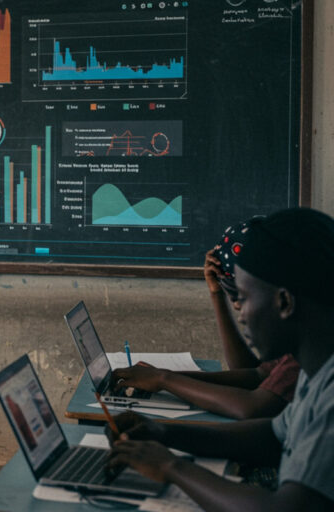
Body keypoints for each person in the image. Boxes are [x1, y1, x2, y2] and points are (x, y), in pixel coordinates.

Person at [107, 208, 334, 511]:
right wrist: (164, 432)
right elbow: (273, 436)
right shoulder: (315, 370)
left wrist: (173, 468)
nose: (239, 311)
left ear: (284, 302)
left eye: (243, 297)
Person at [111, 220, 300, 419]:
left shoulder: (311, 351)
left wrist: (164, 379)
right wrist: (216, 293)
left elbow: (252, 406)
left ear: (283, 297)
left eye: (243, 296)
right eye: (233, 295)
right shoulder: (295, 343)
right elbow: (256, 374)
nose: (238, 308)